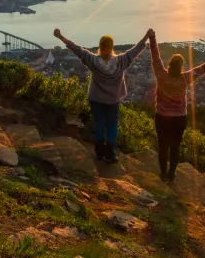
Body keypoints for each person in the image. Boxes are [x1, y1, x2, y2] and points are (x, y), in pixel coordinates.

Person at [53, 28, 151, 163]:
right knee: (111, 126)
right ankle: (111, 153)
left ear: (100, 46)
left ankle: (99, 152)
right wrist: (146, 36)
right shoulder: (120, 62)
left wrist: (61, 37)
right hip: (113, 100)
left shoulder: (93, 61)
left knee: (99, 123)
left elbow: (77, 50)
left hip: (96, 99)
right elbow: (135, 51)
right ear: (112, 47)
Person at [148, 29, 205, 183]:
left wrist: (152, 38)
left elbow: (155, 57)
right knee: (175, 147)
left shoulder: (161, 74)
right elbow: (204, 68)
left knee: (163, 146)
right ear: (181, 67)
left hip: (162, 117)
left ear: (170, 64)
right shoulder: (185, 78)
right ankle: (172, 175)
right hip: (179, 119)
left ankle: (163, 174)